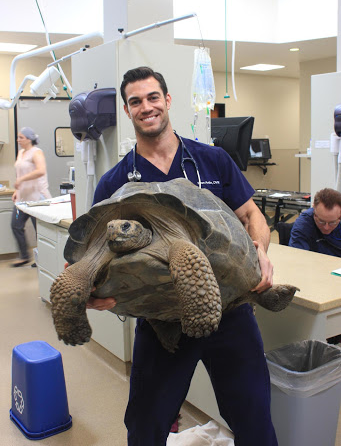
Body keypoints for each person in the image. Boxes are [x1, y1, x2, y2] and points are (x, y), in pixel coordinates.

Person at [88, 67, 278, 446]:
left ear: (167, 100)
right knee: (145, 423)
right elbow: (97, 251)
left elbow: (251, 215)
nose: (146, 107)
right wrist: (89, 288)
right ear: (128, 111)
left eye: (153, 97)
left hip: (230, 310)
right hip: (161, 320)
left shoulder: (213, 160)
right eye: (136, 101)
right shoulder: (115, 183)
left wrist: (260, 250)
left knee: (253, 417)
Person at [11, 127, 51, 267]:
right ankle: (24, 256)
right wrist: (17, 190)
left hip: (37, 197)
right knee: (16, 225)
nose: (18, 140)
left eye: (21, 137)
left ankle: (42, 258)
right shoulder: (21, 153)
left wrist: (22, 180)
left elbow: (41, 171)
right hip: (22, 198)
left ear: (29, 138)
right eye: (18, 137)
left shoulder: (37, 152)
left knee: (39, 230)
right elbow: (20, 173)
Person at [289, 188, 341, 256]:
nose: (326, 227)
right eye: (321, 221)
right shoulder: (303, 224)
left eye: (332, 223)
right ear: (314, 211)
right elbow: (298, 257)